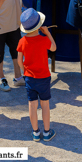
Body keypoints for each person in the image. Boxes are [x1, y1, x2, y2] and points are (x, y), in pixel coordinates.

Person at [17, 8, 57, 142]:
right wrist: (48, 33)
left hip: (29, 77)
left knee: (32, 105)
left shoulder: (22, 41)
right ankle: (46, 132)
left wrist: (24, 72)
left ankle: (35, 132)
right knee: (45, 104)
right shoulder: (43, 39)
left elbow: (19, 60)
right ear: (39, 26)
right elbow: (53, 48)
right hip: (44, 77)